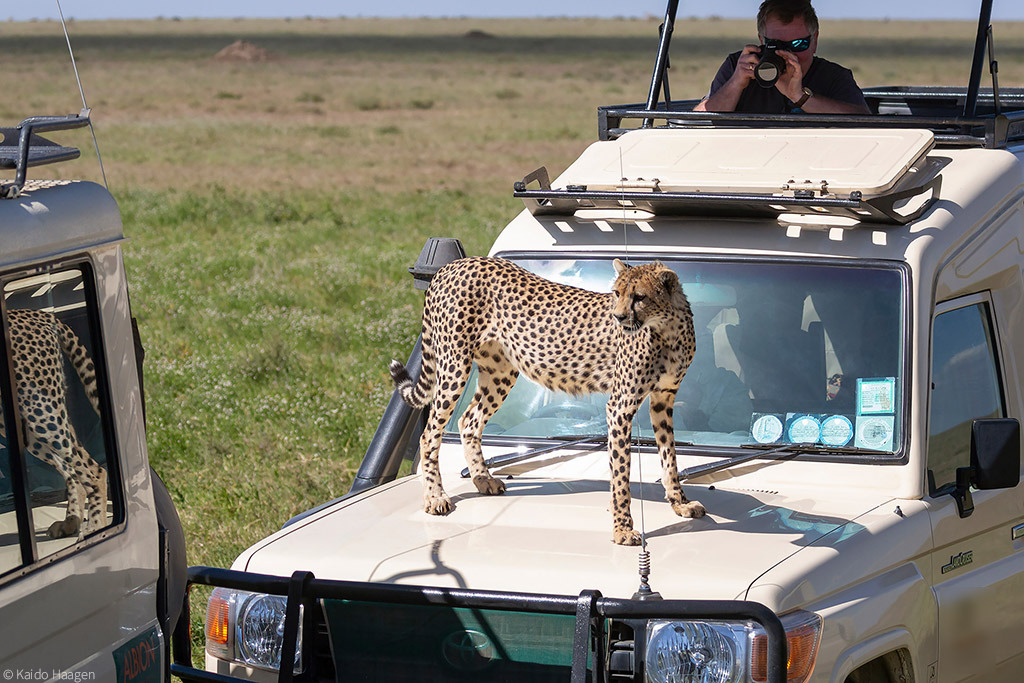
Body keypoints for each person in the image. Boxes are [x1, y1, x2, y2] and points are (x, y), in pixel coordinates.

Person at [694, 0, 870, 114]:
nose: (788, 55)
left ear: (814, 41)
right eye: (776, 45)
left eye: (798, 44)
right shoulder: (740, 66)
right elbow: (697, 122)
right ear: (761, 40)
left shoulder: (833, 76)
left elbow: (864, 122)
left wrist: (800, 97)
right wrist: (735, 84)